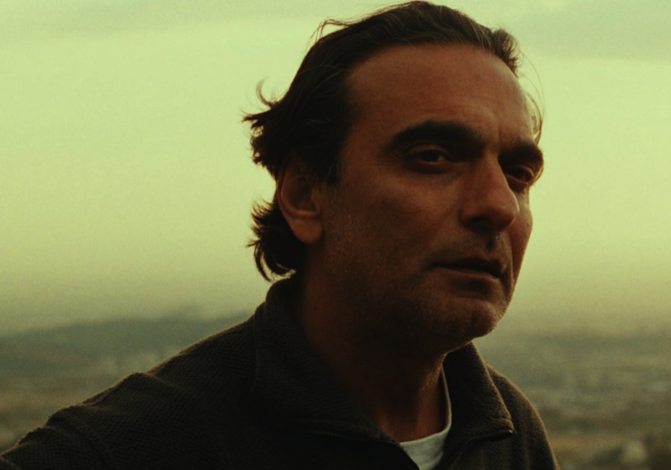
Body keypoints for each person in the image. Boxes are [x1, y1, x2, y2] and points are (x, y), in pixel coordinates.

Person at [1, 2, 558, 469]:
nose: (499, 205)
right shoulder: (126, 450)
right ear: (304, 195)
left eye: (518, 174)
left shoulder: (510, 438)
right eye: (432, 157)